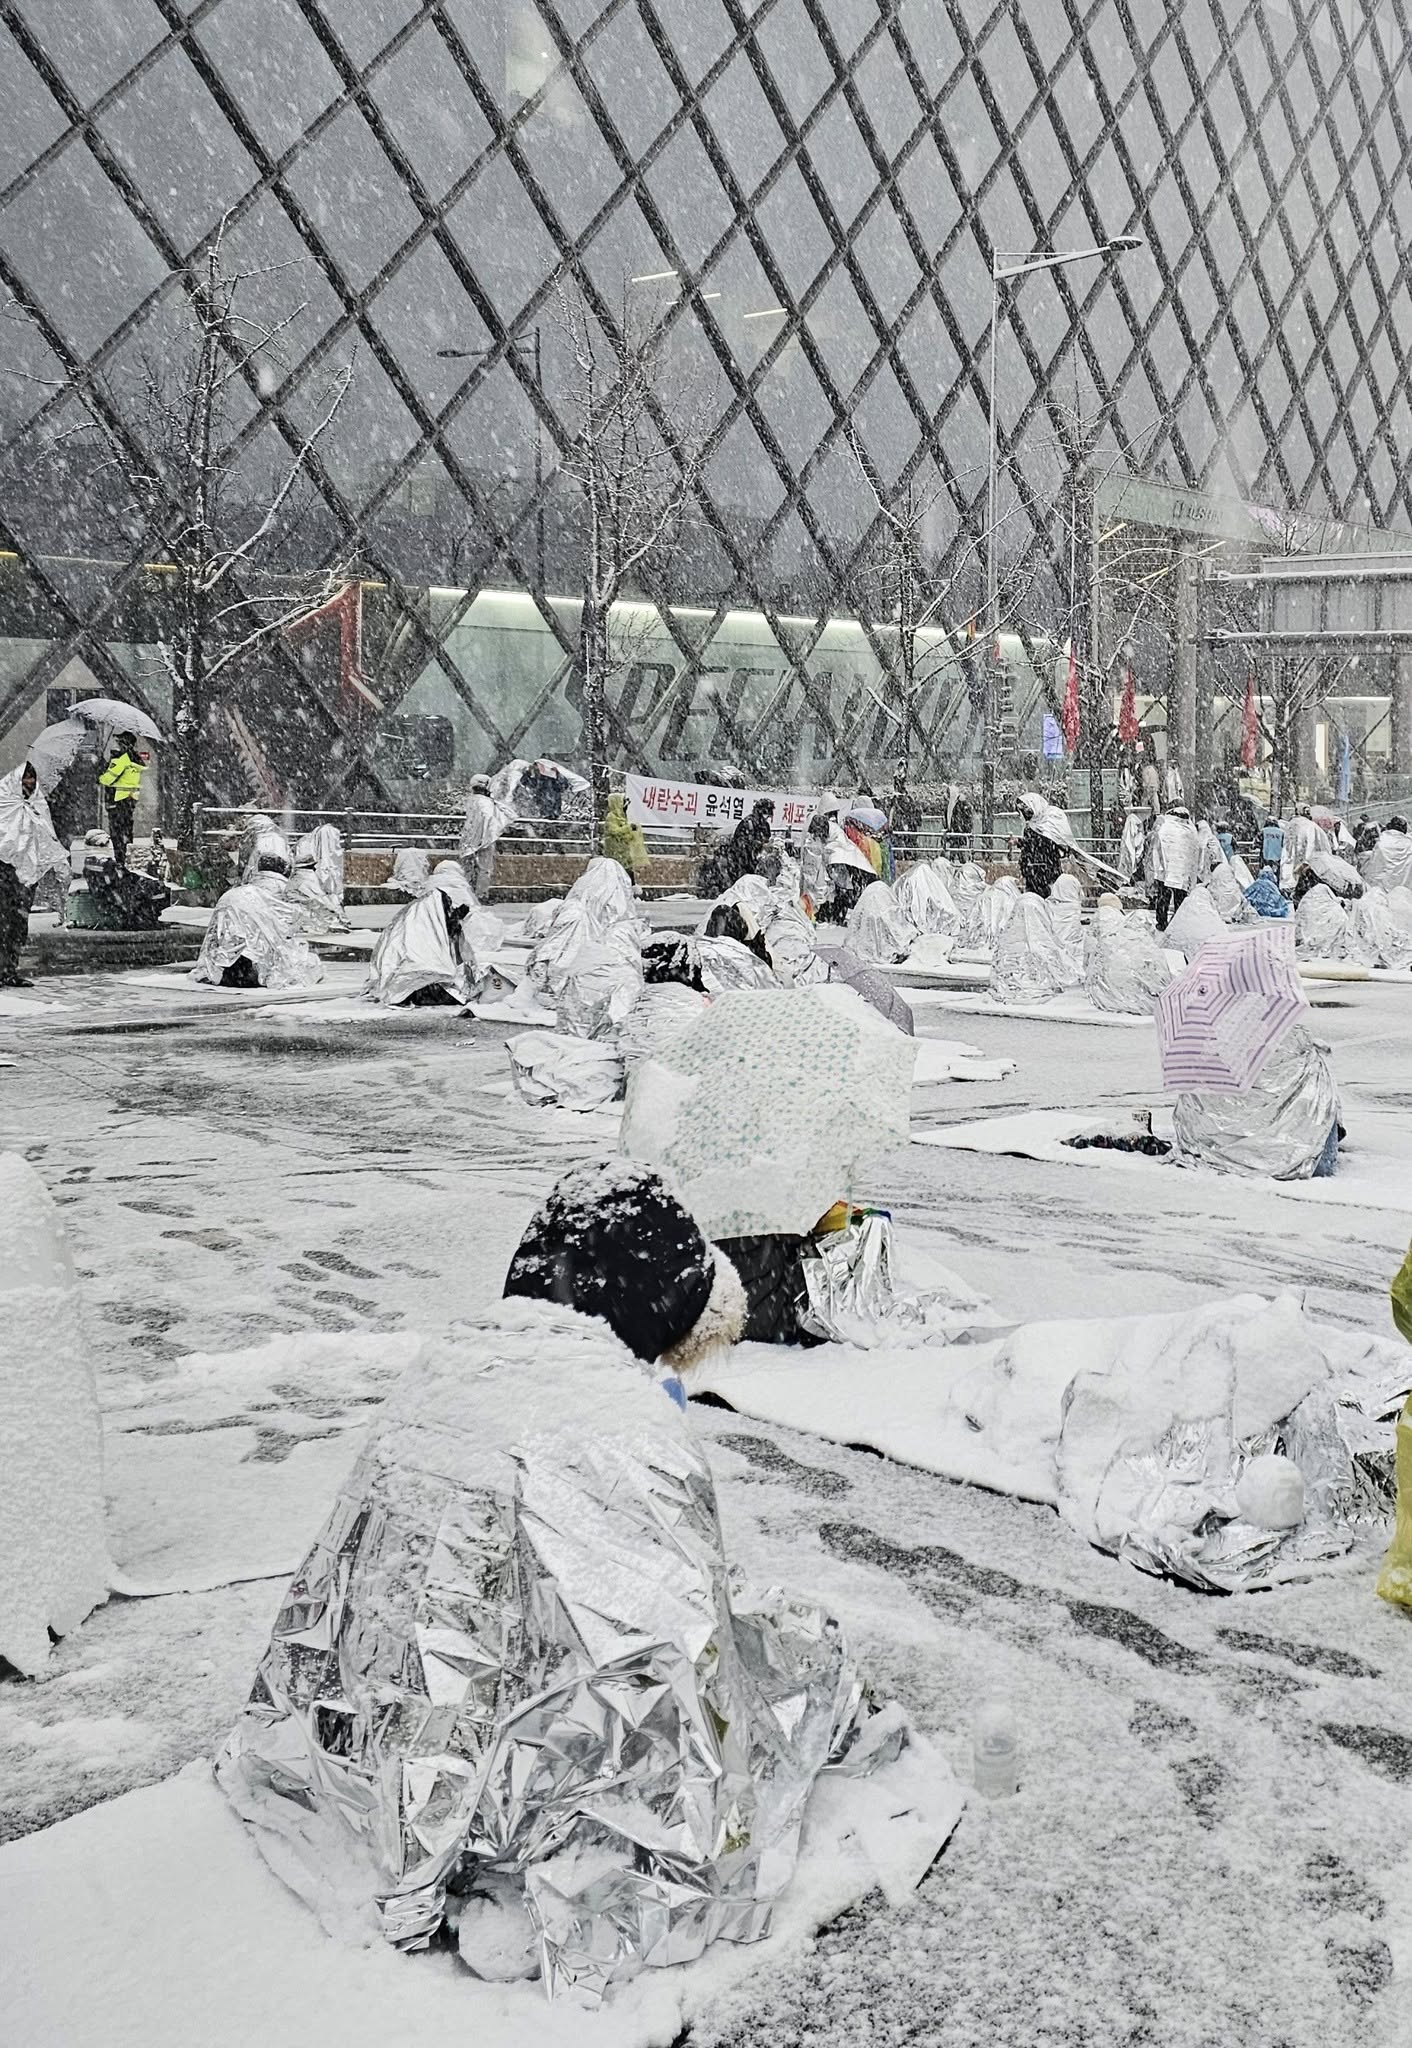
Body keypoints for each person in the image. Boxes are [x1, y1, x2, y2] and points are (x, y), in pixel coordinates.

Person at [215, 1158, 923, 1996]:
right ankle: (533, 1884)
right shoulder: (617, 1427)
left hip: (370, 1754)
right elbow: (678, 1669)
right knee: (800, 1655)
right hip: (531, 1779)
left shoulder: (447, 1371)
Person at [191, 835, 324, 990]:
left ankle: (234, 970)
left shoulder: (242, 889)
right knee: (302, 961)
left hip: (222, 964)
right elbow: (290, 923)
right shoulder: (277, 888)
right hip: (248, 963)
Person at [0, 759, 68, 986]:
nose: (29, 782)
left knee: (18, 924)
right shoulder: (4, 802)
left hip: (26, 877)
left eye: (32, 777)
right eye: (25, 777)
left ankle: (9, 970)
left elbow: (47, 837)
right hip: (4, 871)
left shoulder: (38, 804)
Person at [1150, 803, 1201, 931]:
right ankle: (1179, 922)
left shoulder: (1165, 827)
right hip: (1183, 871)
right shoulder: (1191, 830)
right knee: (1180, 897)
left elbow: (1157, 849)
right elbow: (1196, 851)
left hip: (1165, 871)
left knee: (1164, 896)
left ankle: (1162, 922)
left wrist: (1157, 870)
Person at [98, 734, 145, 869]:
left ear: (125, 744)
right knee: (126, 832)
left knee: (117, 834)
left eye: (120, 743)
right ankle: (128, 861)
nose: (118, 745)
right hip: (129, 801)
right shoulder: (135, 760)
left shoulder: (122, 759)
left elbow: (106, 779)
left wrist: (103, 767)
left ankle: (121, 862)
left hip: (117, 801)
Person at [458, 773, 501, 896]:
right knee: (485, 869)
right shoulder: (487, 803)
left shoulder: (469, 801)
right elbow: (490, 821)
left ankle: (465, 893)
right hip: (485, 839)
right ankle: (481, 894)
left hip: (468, 839)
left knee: (467, 868)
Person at [1017, 791, 1065, 898]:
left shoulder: (1044, 826)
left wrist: (1020, 842)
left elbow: (1040, 843)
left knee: (1042, 898)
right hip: (1035, 870)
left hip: (1043, 870)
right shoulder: (1032, 826)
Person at [600, 791, 648, 881]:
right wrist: (629, 828)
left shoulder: (622, 817)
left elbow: (624, 834)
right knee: (620, 875)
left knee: (628, 874)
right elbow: (615, 831)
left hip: (623, 854)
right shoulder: (611, 817)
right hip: (616, 854)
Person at [890, 763, 922, 862]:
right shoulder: (901, 800)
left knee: (906, 845)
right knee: (903, 845)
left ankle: (908, 856)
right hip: (903, 829)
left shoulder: (905, 801)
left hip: (906, 828)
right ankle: (907, 856)